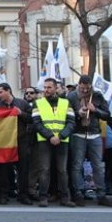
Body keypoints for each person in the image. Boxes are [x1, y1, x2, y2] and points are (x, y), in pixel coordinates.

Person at [66, 75, 112, 207]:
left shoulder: (97, 95)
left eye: (87, 88)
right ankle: (78, 193)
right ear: (78, 85)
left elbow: (107, 114)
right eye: (82, 88)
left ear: (91, 86)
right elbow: (65, 115)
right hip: (78, 134)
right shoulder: (71, 96)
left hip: (94, 134)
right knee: (77, 165)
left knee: (98, 165)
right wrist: (77, 114)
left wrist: (95, 110)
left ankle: (101, 194)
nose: (85, 91)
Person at [32, 78, 76, 207]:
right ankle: (43, 197)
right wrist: (50, 136)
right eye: (45, 87)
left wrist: (60, 136)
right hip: (45, 141)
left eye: (49, 87)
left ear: (56, 88)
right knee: (44, 170)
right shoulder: (38, 103)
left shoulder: (66, 103)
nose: (46, 90)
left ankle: (65, 198)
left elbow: (71, 122)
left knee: (62, 170)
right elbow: (37, 123)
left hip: (62, 141)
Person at [0, 83, 33, 205]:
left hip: (21, 140)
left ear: (8, 91)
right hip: (4, 141)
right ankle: (3, 194)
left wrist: (21, 113)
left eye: (0, 92)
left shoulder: (22, 103)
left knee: (23, 168)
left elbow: (32, 119)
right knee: (3, 169)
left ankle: (23, 194)